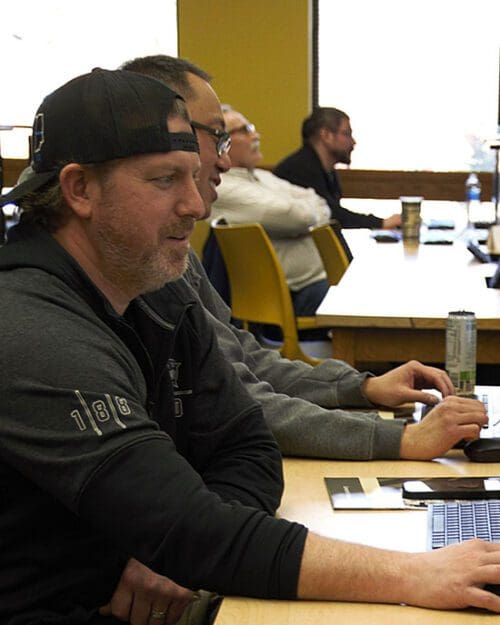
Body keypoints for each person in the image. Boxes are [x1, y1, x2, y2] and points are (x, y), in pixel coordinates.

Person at [1, 67, 499, 625]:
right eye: (166, 179)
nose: (195, 204)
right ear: (79, 190)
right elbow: (190, 527)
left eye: (194, 175)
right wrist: (414, 573)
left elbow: (249, 446)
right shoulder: (29, 326)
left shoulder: (152, 291)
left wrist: (181, 552)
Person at [122, 55, 486, 465]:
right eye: (217, 137)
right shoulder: (131, 263)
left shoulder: (172, 251)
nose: (223, 160)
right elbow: (236, 396)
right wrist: (398, 438)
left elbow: (246, 359)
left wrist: (362, 389)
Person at [207, 104, 331, 317]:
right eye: (245, 130)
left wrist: (306, 222)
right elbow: (300, 216)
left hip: (315, 283)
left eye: (252, 127)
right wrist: (307, 223)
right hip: (295, 298)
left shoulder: (258, 176)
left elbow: (318, 201)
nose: (256, 135)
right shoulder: (224, 187)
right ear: (222, 142)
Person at [274, 107, 401, 230]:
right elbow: (331, 215)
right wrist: (381, 223)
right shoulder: (299, 169)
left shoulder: (326, 170)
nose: (353, 142)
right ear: (326, 135)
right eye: (347, 134)